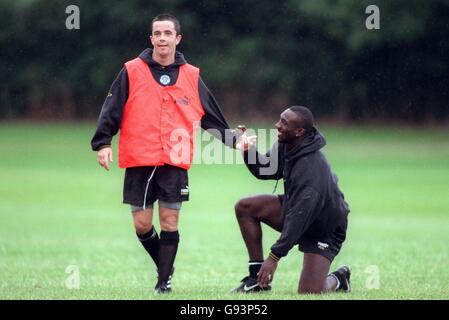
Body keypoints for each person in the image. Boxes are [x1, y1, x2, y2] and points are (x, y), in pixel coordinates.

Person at [91, 14, 239, 294]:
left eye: (167, 33)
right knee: (141, 224)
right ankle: (166, 266)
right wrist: (103, 143)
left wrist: (234, 141)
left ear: (177, 39)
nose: (162, 38)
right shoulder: (131, 70)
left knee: (170, 221)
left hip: (174, 159)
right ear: (151, 39)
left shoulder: (192, 75)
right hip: (140, 158)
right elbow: (111, 108)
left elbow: (211, 117)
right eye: (157, 33)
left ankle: (163, 282)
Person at [231, 106, 351, 294]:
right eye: (280, 119)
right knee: (245, 207)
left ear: (299, 131)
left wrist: (273, 257)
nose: (277, 125)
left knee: (309, 292)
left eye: (284, 123)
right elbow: (266, 170)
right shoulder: (288, 144)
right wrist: (248, 150)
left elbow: (299, 219)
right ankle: (256, 280)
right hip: (296, 208)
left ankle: (339, 278)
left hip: (324, 228)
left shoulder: (311, 170)